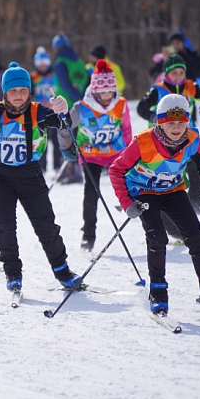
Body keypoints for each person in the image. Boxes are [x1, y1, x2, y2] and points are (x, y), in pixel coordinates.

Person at [0, 62, 82, 293]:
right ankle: (12, 273)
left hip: (30, 176)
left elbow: (64, 123)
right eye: (13, 91)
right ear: (5, 92)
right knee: (5, 227)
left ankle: (62, 271)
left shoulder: (38, 112)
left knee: (46, 226)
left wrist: (63, 109)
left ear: (29, 91)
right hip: (0, 177)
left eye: (23, 90)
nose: (18, 95)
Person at [108, 94, 200, 313]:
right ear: (159, 122)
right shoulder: (143, 141)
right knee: (157, 237)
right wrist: (127, 203)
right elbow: (116, 170)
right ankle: (158, 292)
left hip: (172, 190)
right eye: (170, 123)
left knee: (196, 237)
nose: (176, 128)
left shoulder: (193, 139)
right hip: (143, 191)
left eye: (181, 122)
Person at [58, 60, 133, 252]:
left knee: (134, 183)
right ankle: (88, 235)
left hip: (115, 152)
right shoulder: (81, 108)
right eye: (103, 92)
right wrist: (67, 148)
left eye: (110, 92)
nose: (107, 97)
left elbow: (126, 129)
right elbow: (64, 128)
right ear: (94, 91)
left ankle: (152, 221)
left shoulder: (121, 105)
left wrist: (128, 151)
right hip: (91, 155)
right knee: (91, 193)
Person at [137, 54, 200, 212]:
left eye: (181, 72)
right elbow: (141, 107)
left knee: (195, 167)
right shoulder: (158, 89)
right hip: (161, 139)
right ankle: (159, 203)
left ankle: (194, 201)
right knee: (168, 172)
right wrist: (152, 116)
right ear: (166, 74)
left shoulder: (190, 86)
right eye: (174, 73)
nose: (178, 76)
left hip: (186, 137)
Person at [52, 33, 88, 184]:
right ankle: (77, 170)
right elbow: (86, 79)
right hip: (81, 104)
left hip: (65, 103)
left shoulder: (60, 62)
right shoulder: (78, 61)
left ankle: (70, 171)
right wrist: (82, 98)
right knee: (77, 137)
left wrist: (74, 98)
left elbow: (64, 84)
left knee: (65, 137)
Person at [30, 46, 61, 173]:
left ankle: (57, 165)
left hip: (54, 111)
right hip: (40, 112)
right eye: (40, 64)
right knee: (41, 140)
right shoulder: (33, 77)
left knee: (56, 140)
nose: (42, 66)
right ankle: (41, 166)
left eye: (45, 64)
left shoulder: (55, 75)